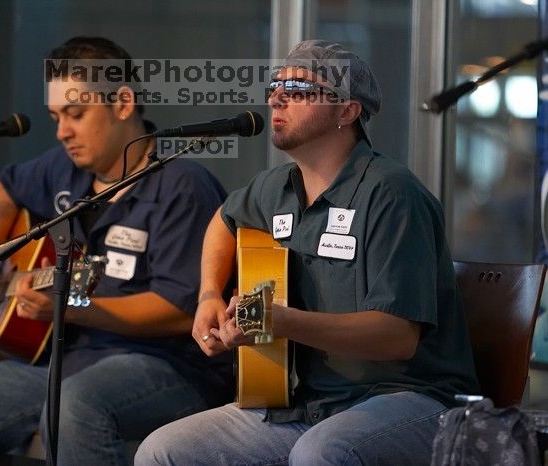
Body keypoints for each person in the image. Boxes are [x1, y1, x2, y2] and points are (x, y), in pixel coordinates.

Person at [135, 40, 479, 465]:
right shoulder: (275, 186)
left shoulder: (392, 193)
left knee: (321, 452)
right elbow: (224, 220)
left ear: (346, 112)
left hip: (412, 398)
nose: (277, 96)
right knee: (163, 451)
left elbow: (398, 338)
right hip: (310, 404)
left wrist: (283, 322)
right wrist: (208, 295)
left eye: (298, 88)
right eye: (275, 85)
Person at [0, 36, 233, 466]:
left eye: (76, 114)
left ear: (122, 103)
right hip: (68, 361)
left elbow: (179, 309)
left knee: (75, 404)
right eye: (56, 116)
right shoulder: (63, 169)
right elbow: (2, 189)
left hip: (168, 366)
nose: (62, 131)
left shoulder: (182, 185)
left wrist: (71, 308)